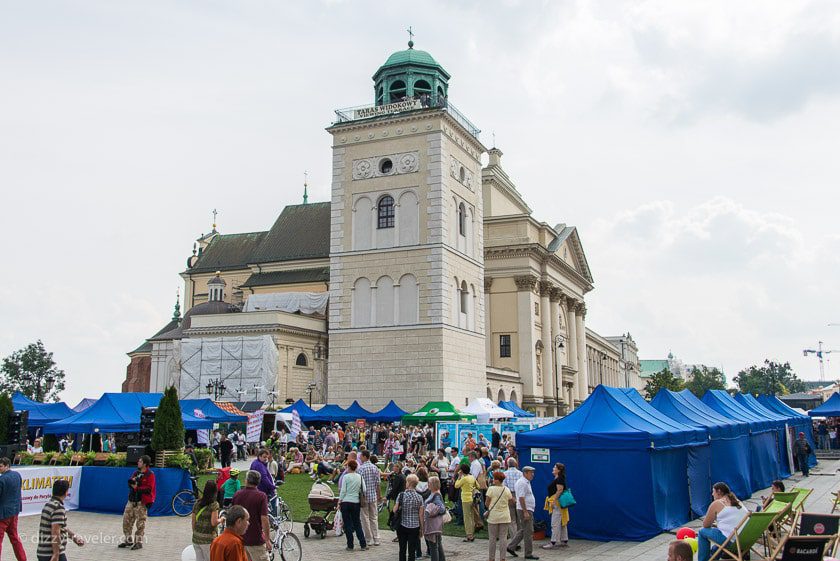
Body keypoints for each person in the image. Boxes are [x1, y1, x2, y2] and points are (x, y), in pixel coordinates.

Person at [37, 479, 85, 561]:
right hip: (51, 553)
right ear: (66, 492)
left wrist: (74, 537)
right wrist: (56, 554)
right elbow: (55, 531)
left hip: (43, 551)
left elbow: (61, 527)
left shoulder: (49, 504)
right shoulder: (58, 508)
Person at [697, 482, 745, 561]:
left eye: (713, 491)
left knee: (702, 532)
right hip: (745, 541)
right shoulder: (737, 501)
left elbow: (706, 525)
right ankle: (713, 557)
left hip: (732, 542)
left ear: (719, 492)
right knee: (720, 533)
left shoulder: (716, 503)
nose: (712, 494)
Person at [231, 470, 271, 561]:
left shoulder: (237, 494)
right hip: (255, 540)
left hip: (240, 539)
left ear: (246, 480)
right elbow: (264, 518)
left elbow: (232, 516)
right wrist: (267, 539)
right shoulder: (261, 496)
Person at [119, 454, 156, 550]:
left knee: (140, 523)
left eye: (140, 461)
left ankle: (138, 542)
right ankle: (128, 540)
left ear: (145, 464)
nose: (138, 463)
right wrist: (132, 482)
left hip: (141, 502)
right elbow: (130, 482)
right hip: (131, 500)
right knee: (126, 521)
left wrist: (137, 488)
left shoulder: (150, 474)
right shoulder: (136, 473)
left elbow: (149, 489)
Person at [507, 466, 538, 560]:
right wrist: (525, 511)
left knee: (524, 530)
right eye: (531, 472)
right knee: (528, 531)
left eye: (533, 472)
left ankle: (511, 547)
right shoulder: (522, 483)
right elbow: (521, 498)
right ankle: (528, 553)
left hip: (527, 509)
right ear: (525, 473)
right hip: (525, 509)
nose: (533, 474)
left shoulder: (526, 482)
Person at [338, 459, 368, 551]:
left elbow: (343, 491)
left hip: (346, 502)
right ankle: (363, 544)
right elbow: (364, 489)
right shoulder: (360, 477)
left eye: (347, 466)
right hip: (355, 502)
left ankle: (350, 545)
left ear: (350, 467)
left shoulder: (346, 477)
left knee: (347, 524)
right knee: (357, 523)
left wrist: (339, 501)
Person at [0, 457, 26, 561]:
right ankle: (23, 559)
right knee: (15, 538)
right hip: (14, 512)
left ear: (7, 466)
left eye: (1, 466)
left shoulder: (2, 479)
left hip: (3, 515)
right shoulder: (17, 475)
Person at [395, 474, 424, 561]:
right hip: (414, 526)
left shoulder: (401, 495)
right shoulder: (419, 497)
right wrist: (422, 528)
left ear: (408, 483)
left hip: (402, 525)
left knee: (402, 549)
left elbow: (394, 510)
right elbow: (421, 515)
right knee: (412, 550)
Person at [486, 471, 513, 561]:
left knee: (492, 538)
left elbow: (487, 503)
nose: (493, 480)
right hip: (505, 516)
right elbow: (510, 501)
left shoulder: (491, 489)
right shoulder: (507, 489)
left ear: (497, 480)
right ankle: (502, 558)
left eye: (494, 478)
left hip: (493, 516)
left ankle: (491, 558)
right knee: (503, 537)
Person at [357, 450, 382, 546]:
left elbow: (359, 485)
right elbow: (378, 484)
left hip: (364, 497)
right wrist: (379, 495)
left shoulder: (361, 469)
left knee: (365, 518)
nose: (360, 458)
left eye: (361, 456)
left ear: (364, 456)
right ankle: (376, 538)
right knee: (374, 518)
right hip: (373, 496)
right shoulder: (375, 468)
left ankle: (368, 539)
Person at [541, 462, 569, 549]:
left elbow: (559, 490)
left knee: (555, 523)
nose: (553, 469)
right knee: (562, 522)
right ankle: (564, 540)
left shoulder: (559, 479)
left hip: (557, 504)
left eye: (554, 467)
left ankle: (553, 542)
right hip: (559, 504)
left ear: (558, 470)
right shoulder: (558, 478)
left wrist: (553, 501)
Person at [192, 480, 221, 561]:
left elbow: (193, 522)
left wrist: (196, 533)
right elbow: (213, 522)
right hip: (208, 540)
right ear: (215, 491)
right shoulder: (214, 505)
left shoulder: (197, 503)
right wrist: (221, 519)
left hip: (196, 539)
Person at [422, 476, 447, 561]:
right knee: (437, 544)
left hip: (434, 524)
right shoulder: (433, 493)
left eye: (429, 483)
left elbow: (442, 509)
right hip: (435, 524)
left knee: (433, 545)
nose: (428, 484)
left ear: (433, 484)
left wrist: (432, 512)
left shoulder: (436, 495)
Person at [454, 463, 477, 541]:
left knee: (467, 518)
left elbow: (456, 485)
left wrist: (459, 477)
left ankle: (469, 535)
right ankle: (472, 533)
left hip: (465, 499)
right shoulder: (472, 477)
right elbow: (478, 486)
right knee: (471, 516)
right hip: (472, 498)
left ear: (462, 471)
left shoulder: (464, 479)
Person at [249, 449, 276, 514]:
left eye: (267, 457)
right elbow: (264, 478)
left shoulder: (258, 463)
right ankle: (273, 517)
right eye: (264, 457)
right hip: (263, 488)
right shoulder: (259, 465)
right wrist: (272, 486)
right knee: (270, 502)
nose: (266, 459)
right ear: (259, 456)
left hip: (259, 488)